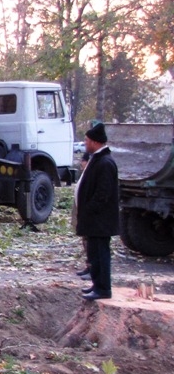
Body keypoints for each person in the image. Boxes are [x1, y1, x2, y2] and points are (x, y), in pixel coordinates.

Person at [76, 123, 120, 300]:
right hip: (94, 220)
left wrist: (89, 209)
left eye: (87, 140)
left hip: (100, 220)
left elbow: (103, 193)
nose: (85, 143)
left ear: (95, 142)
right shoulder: (98, 159)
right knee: (94, 253)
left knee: (101, 254)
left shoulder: (105, 163)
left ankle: (103, 288)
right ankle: (96, 283)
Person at [72, 151, 91, 278]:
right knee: (85, 240)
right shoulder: (85, 174)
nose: (80, 163)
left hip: (89, 213)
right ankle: (89, 266)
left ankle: (93, 269)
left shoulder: (92, 174)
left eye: (83, 161)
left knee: (91, 242)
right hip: (81, 210)